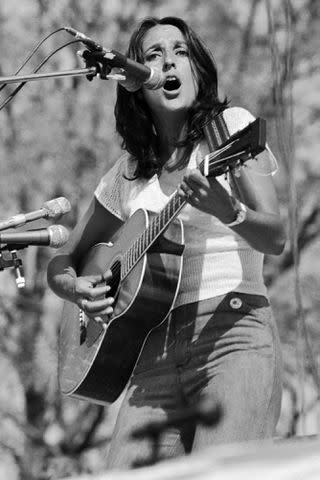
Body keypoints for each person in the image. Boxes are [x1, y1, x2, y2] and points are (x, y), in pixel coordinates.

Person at [47, 16, 286, 470]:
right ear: (136, 80)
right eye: (153, 55)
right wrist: (75, 288)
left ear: (196, 67)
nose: (168, 61)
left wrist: (229, 211)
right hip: (149, 359)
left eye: (180, 51)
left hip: (231, 338)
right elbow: (63, 259)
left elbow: (277, 236)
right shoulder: (127, 172)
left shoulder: (229, 129)